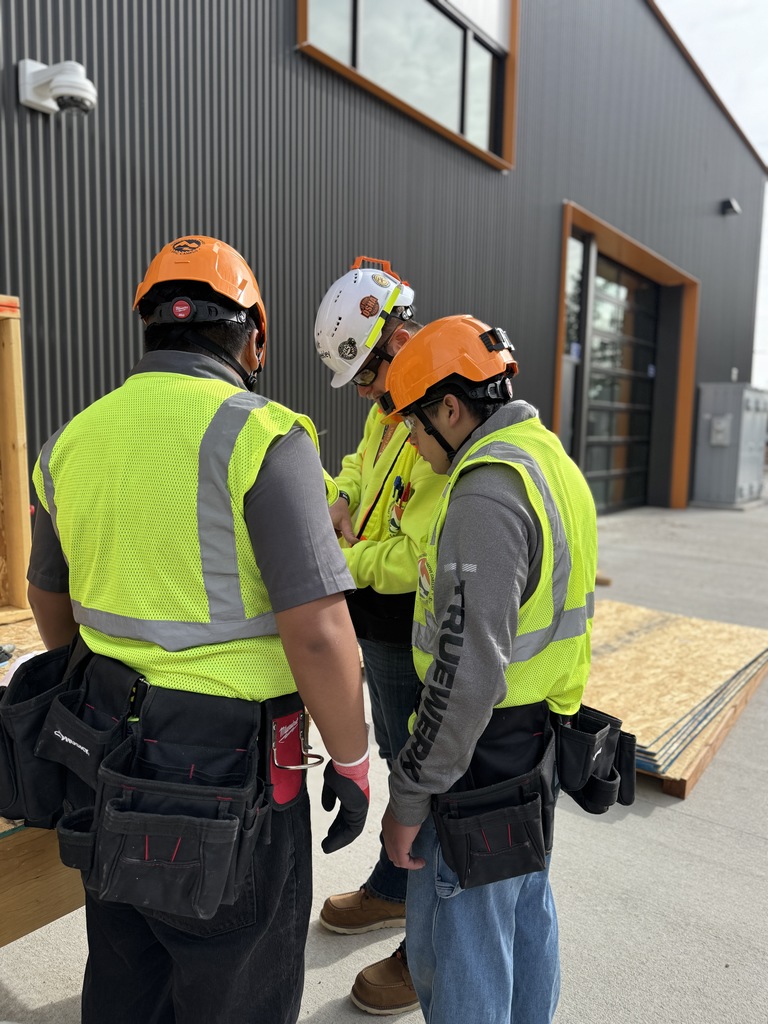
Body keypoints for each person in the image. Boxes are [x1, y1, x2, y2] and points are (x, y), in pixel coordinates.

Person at [26, 235, 370, 1024]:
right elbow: (318, 633)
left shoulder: (72, 438)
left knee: (124, 962)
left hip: (103, 740)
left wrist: (108, 678)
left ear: (147, 329)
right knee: (236, 984)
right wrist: (351, 760)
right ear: (255, 337)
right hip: (228, 766)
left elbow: (48, 595)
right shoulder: (265, 436)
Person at [379, 314, 598, 1024]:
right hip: (534, 747)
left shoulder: (485, 492)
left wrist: (409, 796)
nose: (411, 445)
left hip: (478, 763)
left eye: (414, 425)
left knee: (463, 949)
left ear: (450, 407)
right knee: (524, 921)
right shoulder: (551, 463)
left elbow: (465, 674)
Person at [313, 258, 447, 1014]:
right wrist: (335, 500)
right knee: (403, 763)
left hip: (413, 625)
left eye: (367, 376)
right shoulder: (390, 406)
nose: (367, 394)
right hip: (378, 624)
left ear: (395, 338)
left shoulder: (440, 407)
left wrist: (345, 558)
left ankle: (417, 943)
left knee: (423, 779)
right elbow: (362, 472)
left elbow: (418, 553)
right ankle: (394, 889)